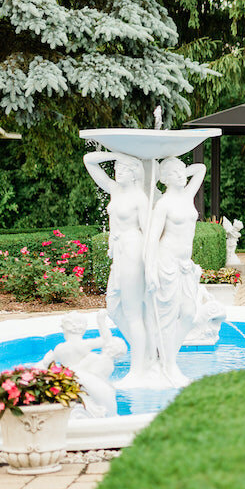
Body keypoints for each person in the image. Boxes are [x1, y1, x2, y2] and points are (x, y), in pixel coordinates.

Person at [83, 150, 153, 384]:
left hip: (133, 251)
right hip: (119, 254)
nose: (117, 171)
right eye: (116, 167)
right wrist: (115, 151)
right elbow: (88, 161)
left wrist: (150, 267)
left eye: (123, 168)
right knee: (114, 306)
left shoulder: (140, 199)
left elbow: (148, 233)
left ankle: (138, 369)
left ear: (134, 174)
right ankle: (146, 351)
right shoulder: (115, 190)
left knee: (133, 312)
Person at [145, 156, 207, 387]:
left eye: (182, 172)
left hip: (185, 265)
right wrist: (150, 270)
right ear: (164, 179)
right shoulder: (164, 204)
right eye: (175, 174)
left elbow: (200, 168)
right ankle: (167, 364)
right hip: (166, 263)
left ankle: (169, 358)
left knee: (189, 313)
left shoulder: (187, 194)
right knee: (167, 318)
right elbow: (152, 239)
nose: (182, 175)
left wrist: (176, 167)